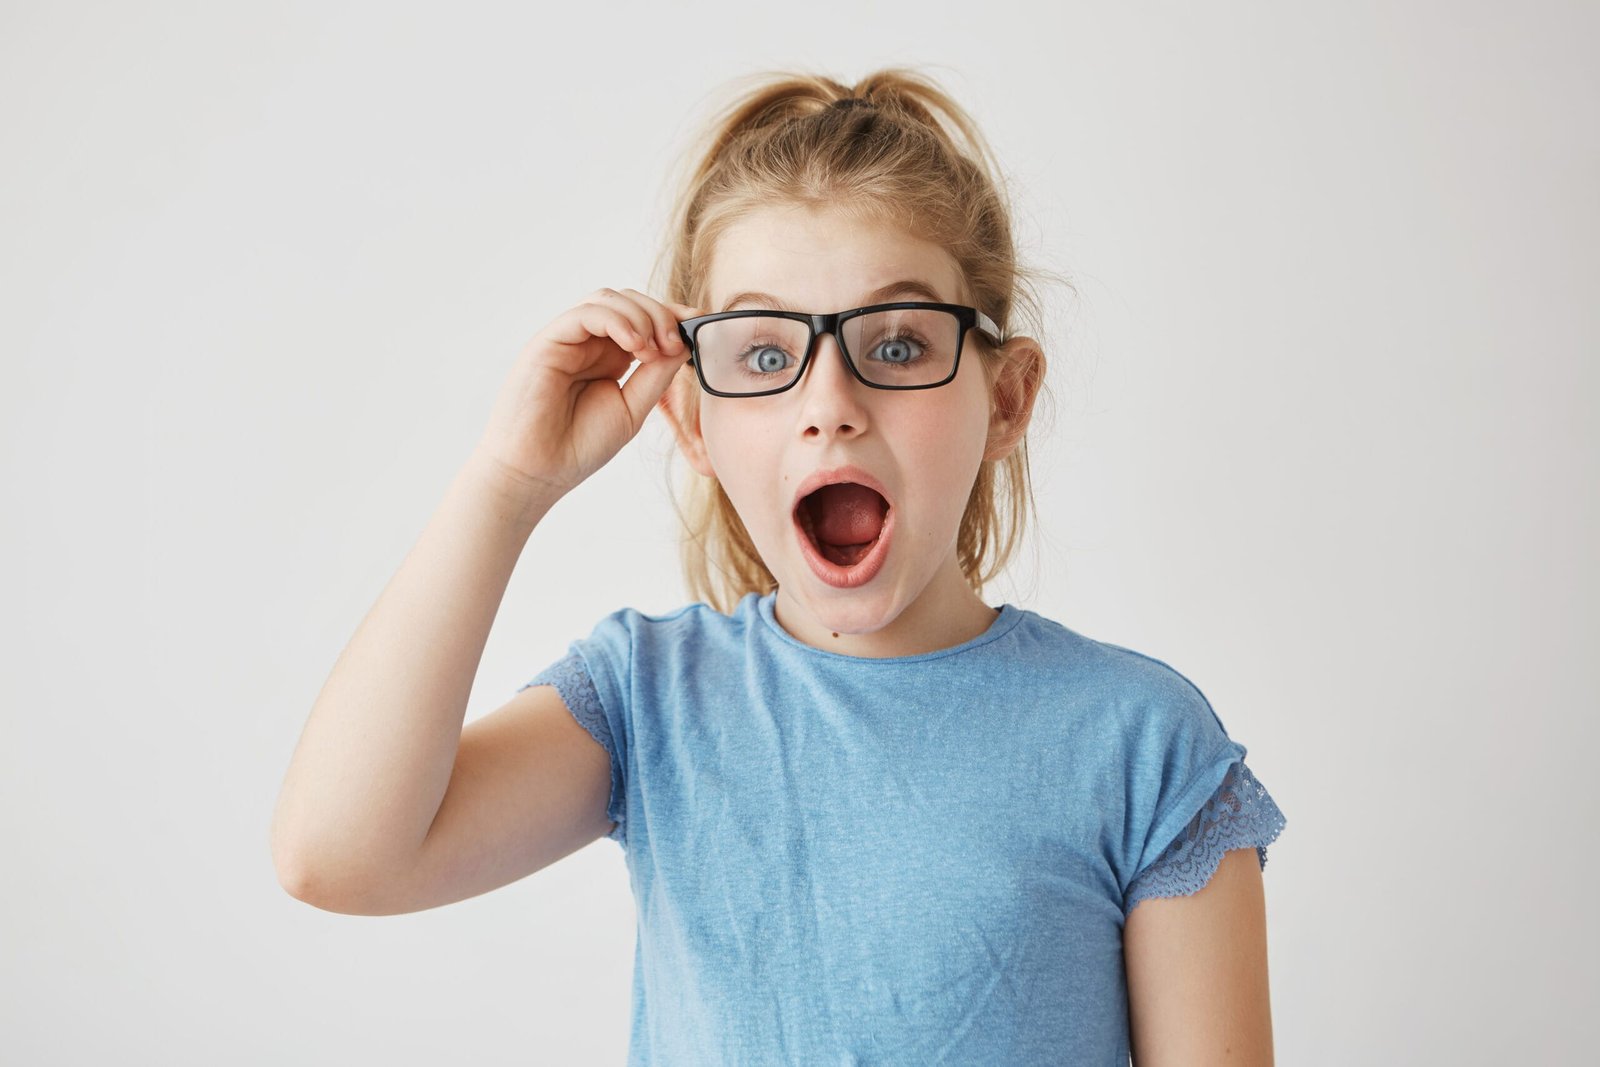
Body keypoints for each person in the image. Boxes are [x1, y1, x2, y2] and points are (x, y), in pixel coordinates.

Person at [272, 67, 1287, 1065]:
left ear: (1007, 399)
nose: (828, 400)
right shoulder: (648, 700)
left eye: (895, 344)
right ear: (690, 418)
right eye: (764, 355)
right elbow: (337, 853)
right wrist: (507, 484)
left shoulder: (1143, 744)